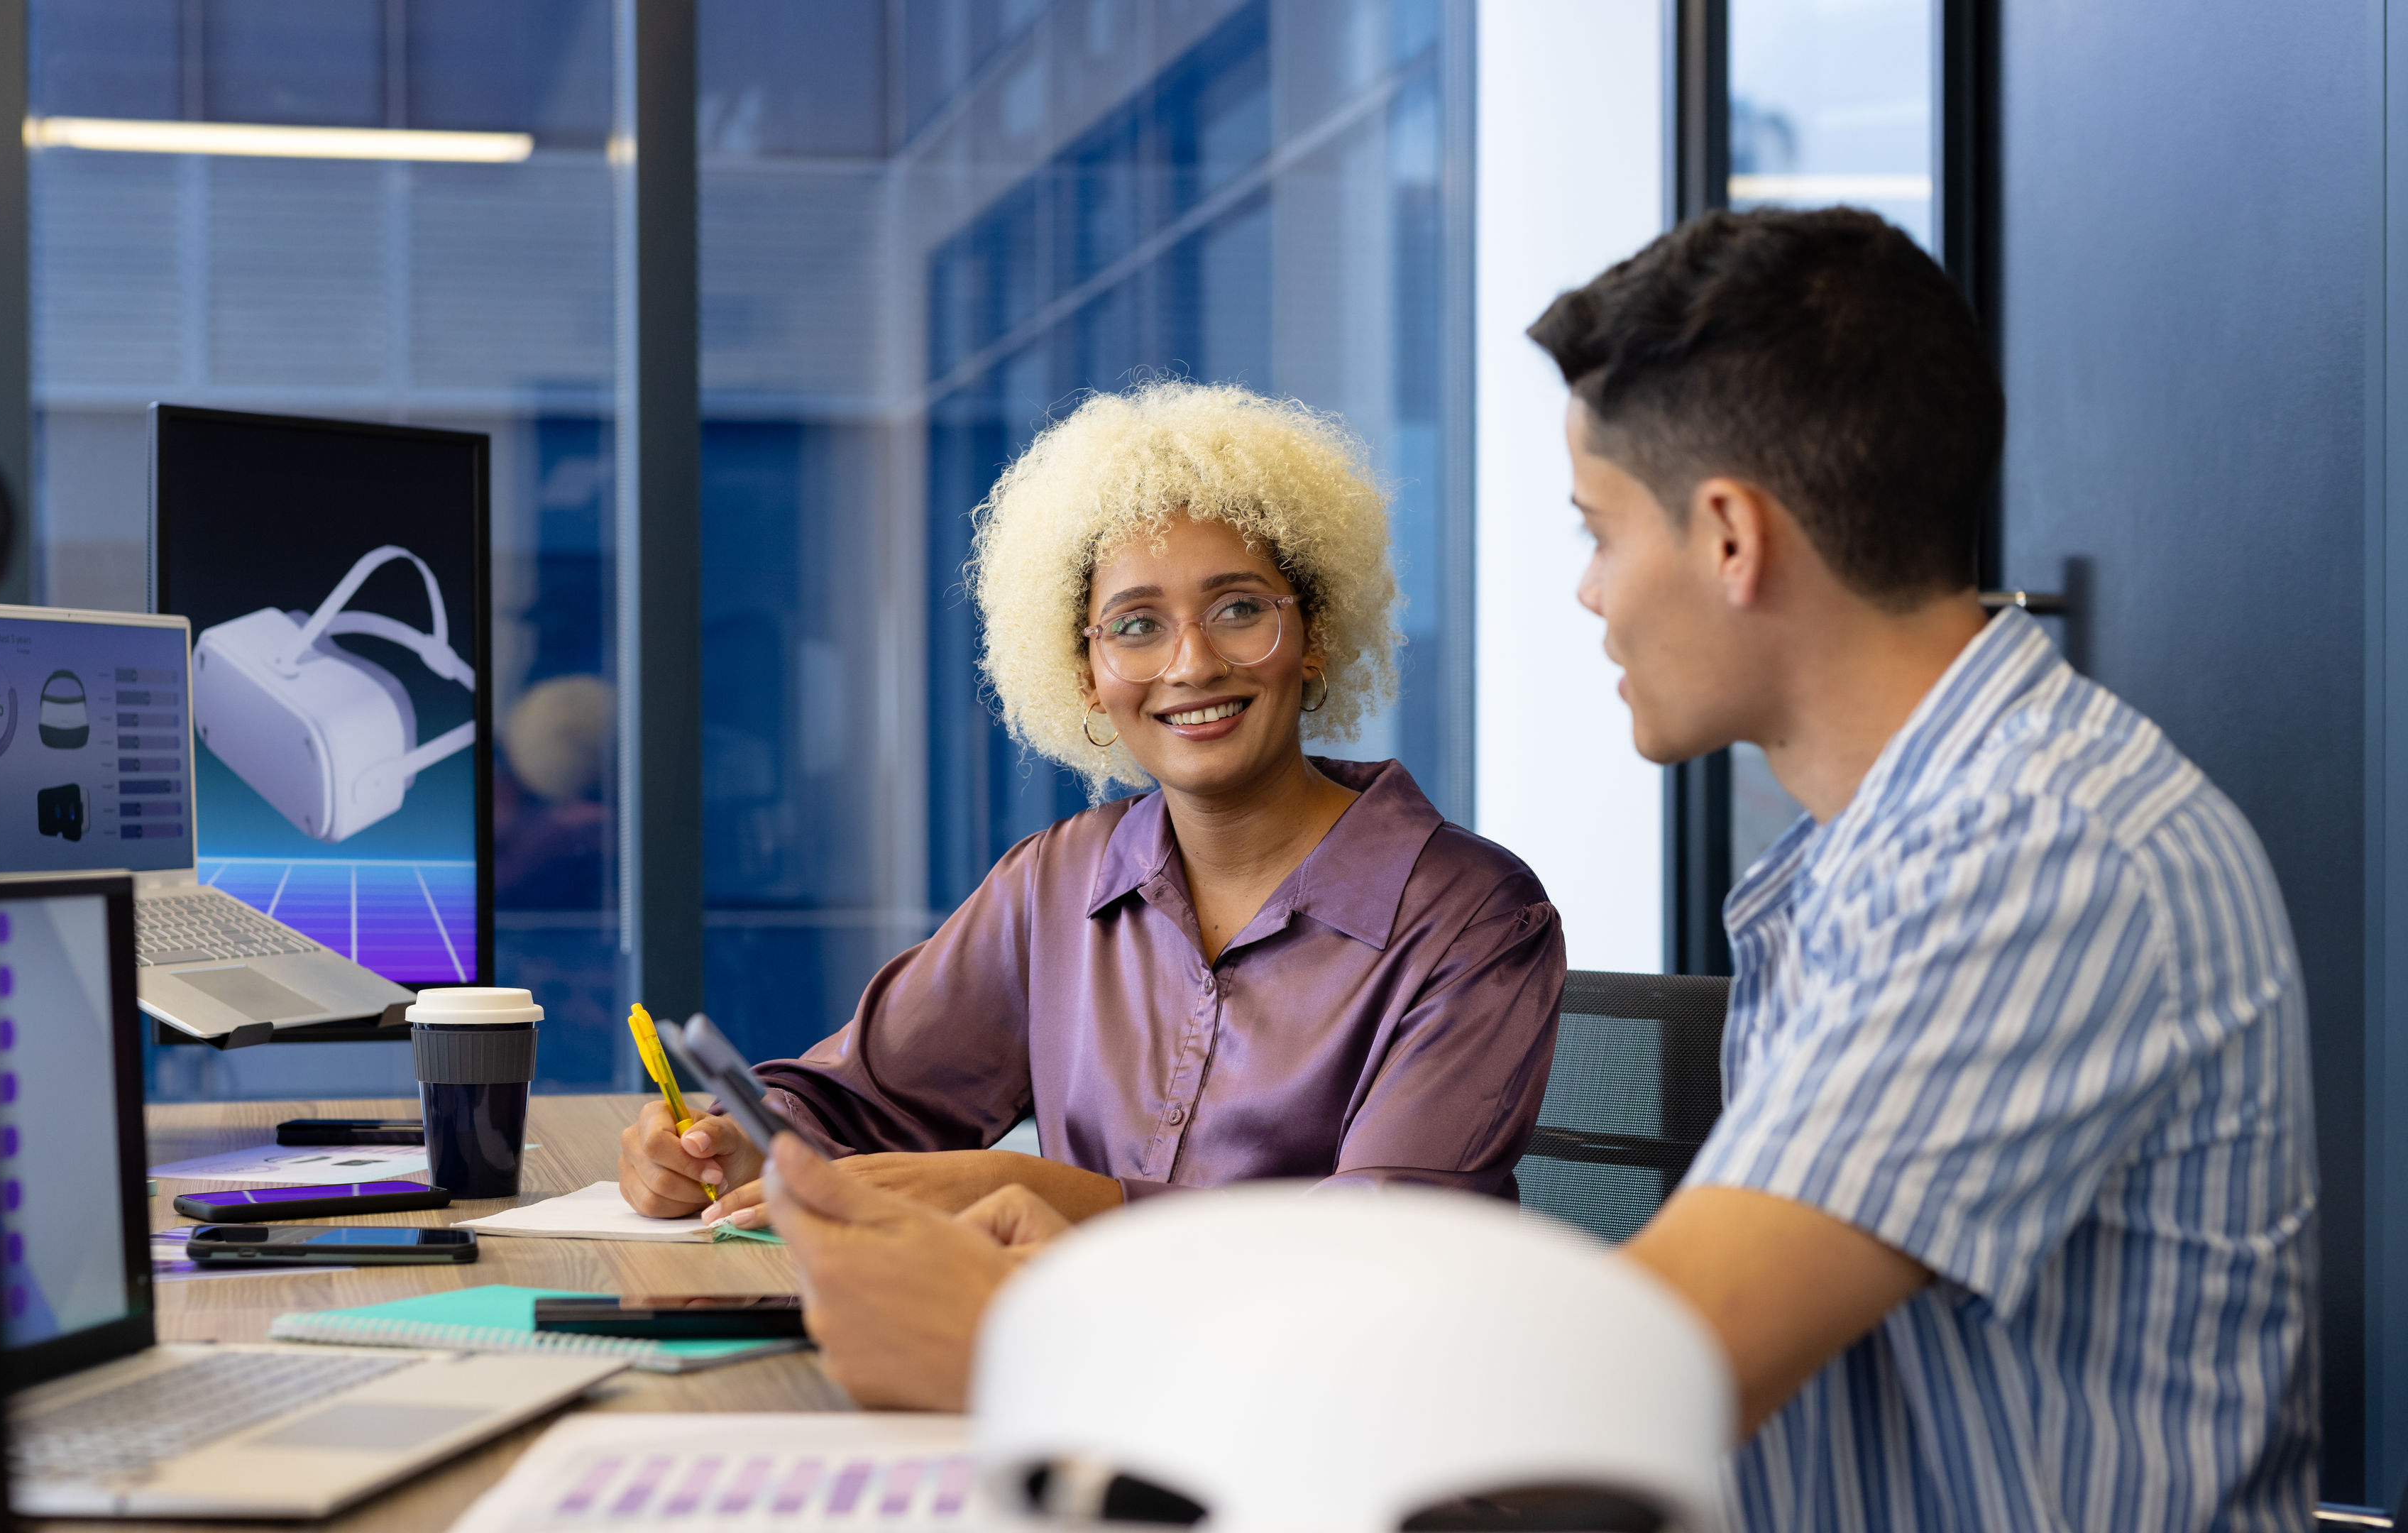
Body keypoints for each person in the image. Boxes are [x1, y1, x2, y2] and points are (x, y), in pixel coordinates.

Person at [762, 207, 2322, 1533]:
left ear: (1730, 539)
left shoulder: (2021, 859)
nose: (1586, 595)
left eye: (1597, 531)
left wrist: (1034, 1344)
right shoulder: (1876, 856)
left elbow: (1654, 1363)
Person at [617, 380, 1565, 1229]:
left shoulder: (1472, 916)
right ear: (1086, 676)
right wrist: (733, 1144)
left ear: (1312, 634)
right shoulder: (1058, 881)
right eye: (1137, 626)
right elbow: (854, 1104)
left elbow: (1386, 1245)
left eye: (1239, 608)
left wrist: (1068, 1202)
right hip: (1061, 1376)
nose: (1191, 664)